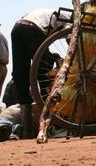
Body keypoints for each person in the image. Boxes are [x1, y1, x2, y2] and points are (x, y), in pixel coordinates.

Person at [11, 8, 69, 138]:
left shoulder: (49, 12)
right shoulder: (70, 17)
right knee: (45, 75)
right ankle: (52, 125)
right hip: (33, 30)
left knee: (21, 74)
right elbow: (71, 36)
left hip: (18, 27)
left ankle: (26, 130)